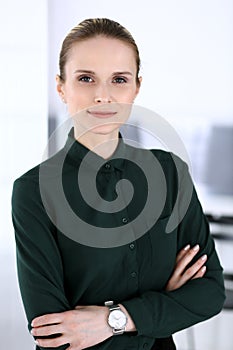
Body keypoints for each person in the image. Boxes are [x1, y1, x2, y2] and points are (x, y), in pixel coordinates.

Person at [12, 18, 225, 350]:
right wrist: (162, 305)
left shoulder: (170, 173)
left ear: (136, 88)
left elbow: (211, 292)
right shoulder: (33, 192)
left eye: (119, 80)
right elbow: (52, 333)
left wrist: (115, 319)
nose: (103, 96)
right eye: (85, 79)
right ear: (61, 87)